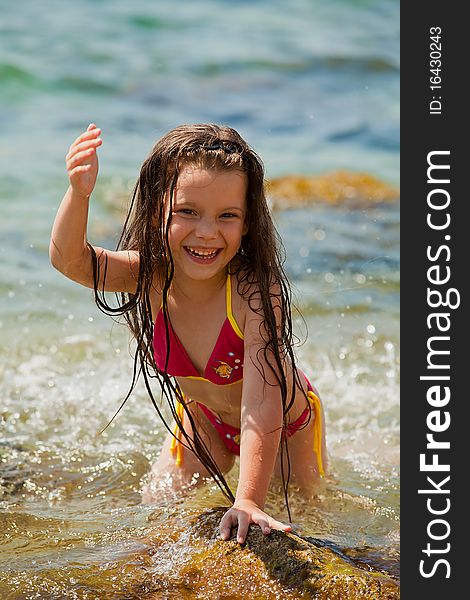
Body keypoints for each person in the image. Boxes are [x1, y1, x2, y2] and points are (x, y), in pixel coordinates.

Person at [50, 122, 327, 544]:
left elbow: (263, 402)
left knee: (313, 521)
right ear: (158, 209)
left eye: (227, 216)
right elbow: (71, 261)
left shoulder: (252, 291)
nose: (206, 232)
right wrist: (79, 193)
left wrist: (249, 499)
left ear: (249, 222)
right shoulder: (149, 275)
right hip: (204, 420)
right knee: (153, 518)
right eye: (188, 211)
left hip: (285, 425)